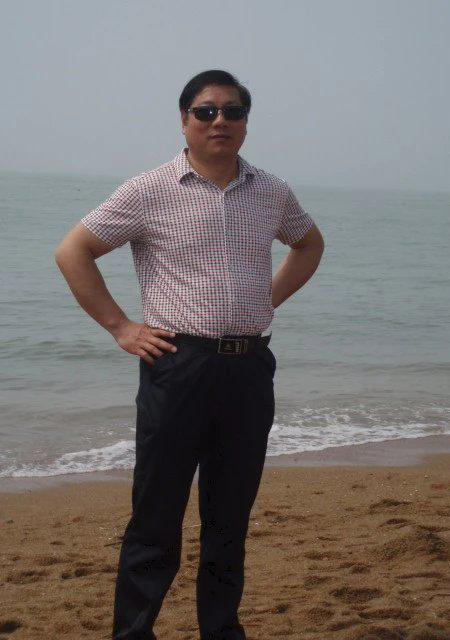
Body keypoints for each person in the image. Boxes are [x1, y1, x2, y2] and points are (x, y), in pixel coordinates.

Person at [54, 69, 324, 640]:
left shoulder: (272, 191)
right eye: (206, 111)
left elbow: (308, 244)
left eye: (232, 111)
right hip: (178, 366)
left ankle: (220, 631)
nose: (219, 121)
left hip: (249, 369)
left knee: (230, 517)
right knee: (156, 515)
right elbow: (73, 251)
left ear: (246, 122)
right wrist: (121, 327)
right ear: (184, 121)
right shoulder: (148, 189)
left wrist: (266, 298)